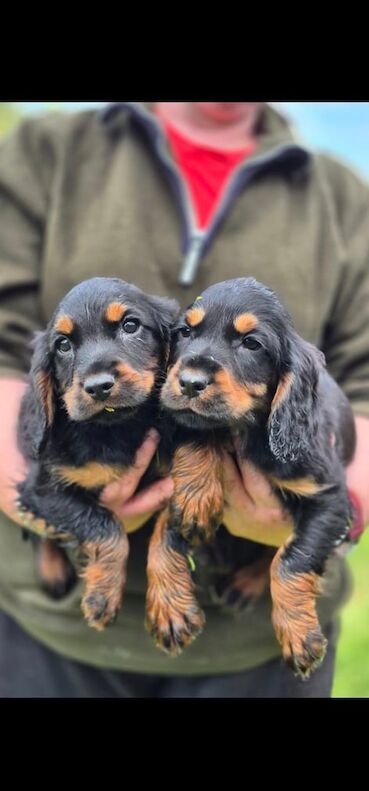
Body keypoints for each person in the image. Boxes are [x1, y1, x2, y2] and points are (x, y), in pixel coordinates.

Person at [0, 101, 368, 698]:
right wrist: (57, 512)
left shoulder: (344, 199)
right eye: (190, 337)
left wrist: (316, 520)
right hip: (49, 631)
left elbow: (363, 386)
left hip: (259, 649)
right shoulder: (46, 152)